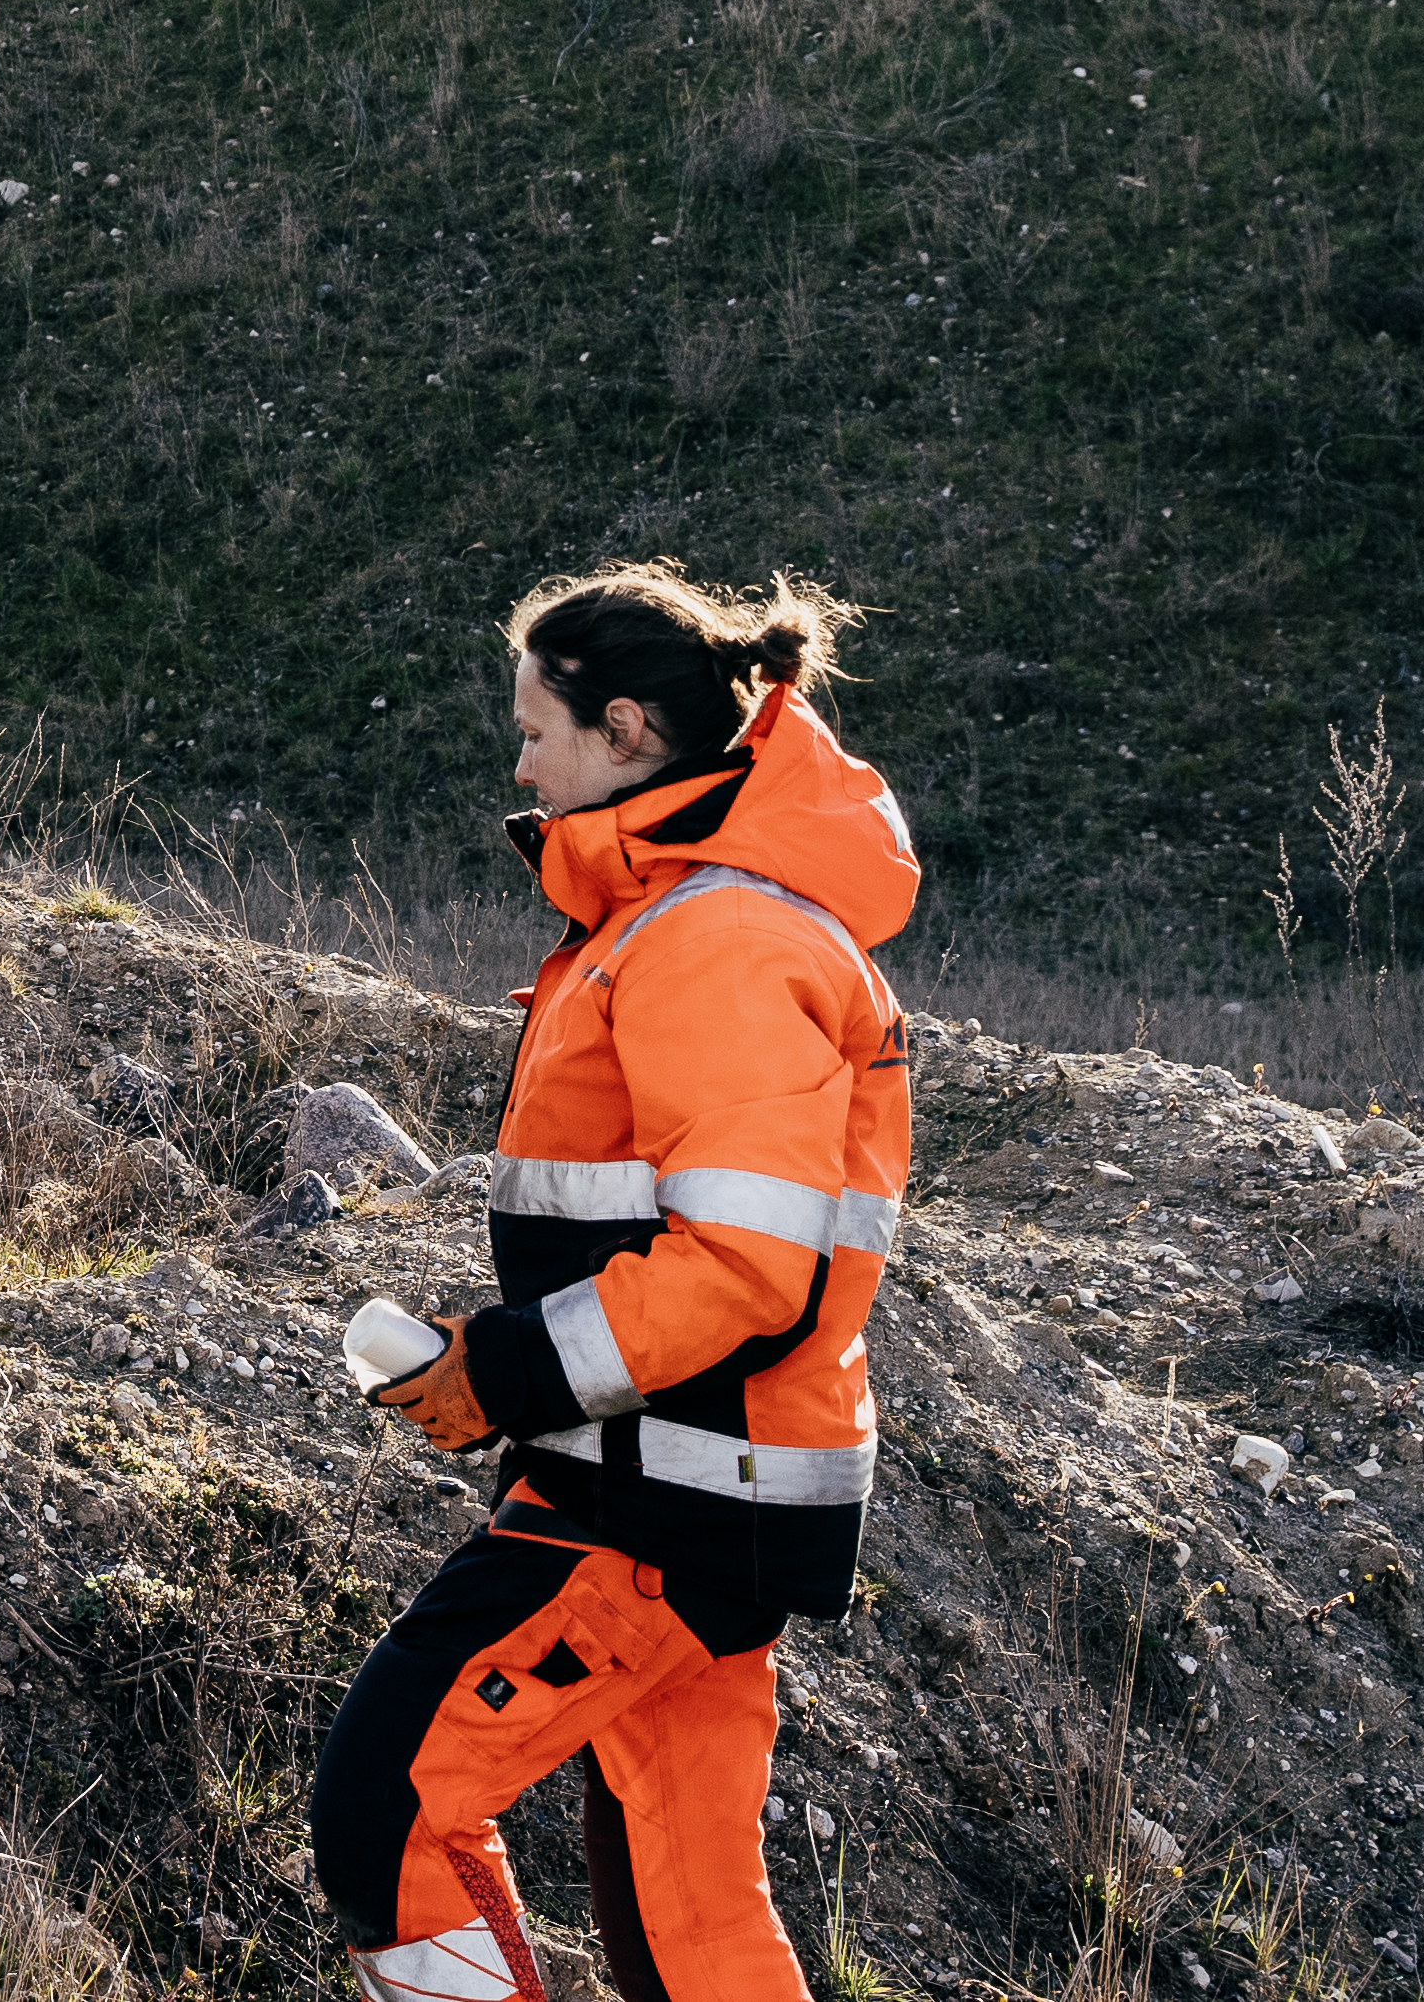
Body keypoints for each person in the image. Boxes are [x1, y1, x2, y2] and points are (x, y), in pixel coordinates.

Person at [315, 564, 914, 2002]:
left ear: (626, 728)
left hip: (665, 1489)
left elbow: (739, 1267)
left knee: (385, 1810)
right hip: (693, 1476)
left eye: (535, 730)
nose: (514, 763)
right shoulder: (670, 917)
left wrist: (501, 1368)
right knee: (686, 1906)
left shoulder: (712, 935)